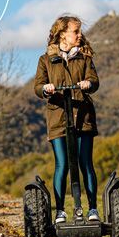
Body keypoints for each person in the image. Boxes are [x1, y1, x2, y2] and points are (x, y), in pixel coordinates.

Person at [34, 15, 100, 224]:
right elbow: (38, 86)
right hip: (58, 118)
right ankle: (60, 211)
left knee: (85, 163)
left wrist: (88, 83)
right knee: (62, 165)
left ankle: (92, 209)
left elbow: (94, 81)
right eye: (75, 31)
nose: (79, 35)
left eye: (79, 31)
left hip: (82, 117)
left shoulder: (84, 57)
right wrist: (46, 88)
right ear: (63, 34)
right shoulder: (46, 60)